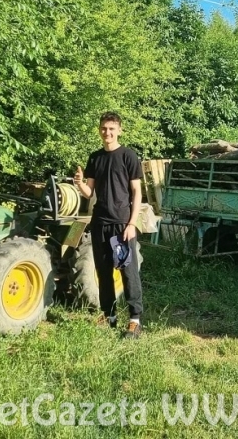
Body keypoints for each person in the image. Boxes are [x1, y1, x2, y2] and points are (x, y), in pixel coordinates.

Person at [73, 111, 144, 339]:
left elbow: (137, 192)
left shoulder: (128, 156)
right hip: (99, 224)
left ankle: (134, 320)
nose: (108, 132)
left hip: (120, 226)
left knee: (126, 271)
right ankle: (109, 315)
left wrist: (131, 223)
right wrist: (79, 184)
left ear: (119, 130)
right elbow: (89, 192)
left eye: (112, 128)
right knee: (103, 272)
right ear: (99, 130)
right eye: (104, 128)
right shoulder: (95, 158)